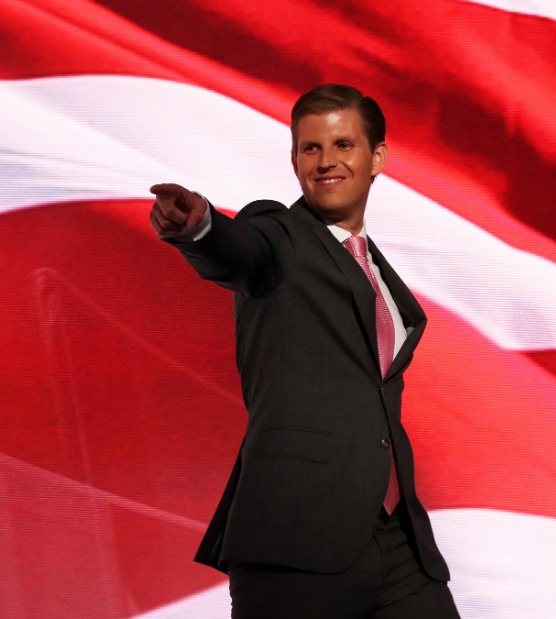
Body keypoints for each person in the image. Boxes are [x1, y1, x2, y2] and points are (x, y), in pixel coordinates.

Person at [148, 84, 461, 618]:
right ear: (294, 160)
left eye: (342, 144)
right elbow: (238, 251)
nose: (326, 161)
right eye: (310, 148)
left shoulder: (380, 273)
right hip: (294, 541)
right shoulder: (280, 236)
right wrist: (199, 228)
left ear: (376, 157)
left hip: (397, 543)